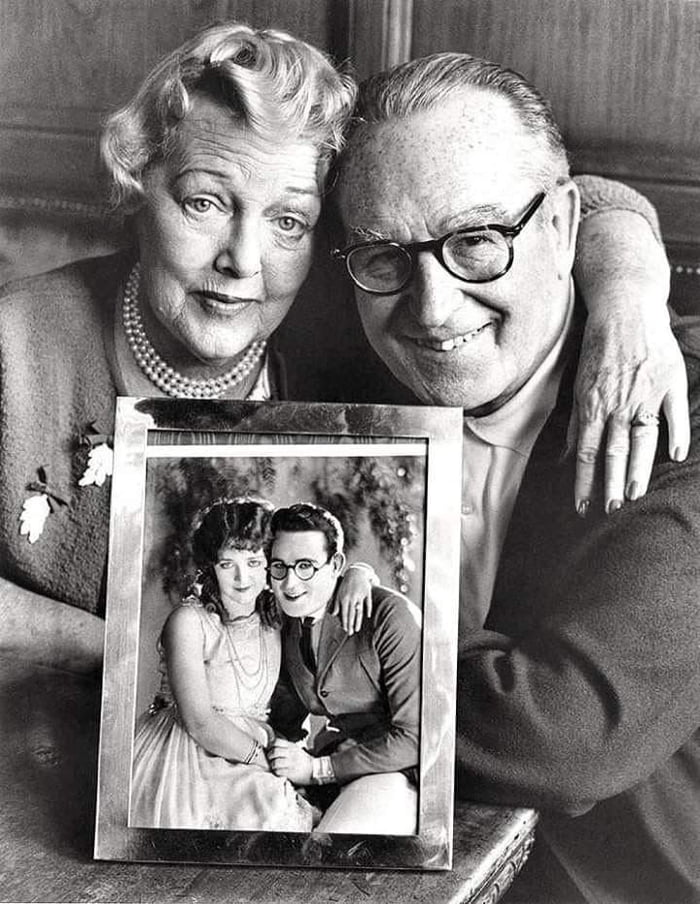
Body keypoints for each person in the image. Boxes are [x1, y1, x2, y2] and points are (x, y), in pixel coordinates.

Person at [0, 21, 687, 671]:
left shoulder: (347, 326)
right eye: (204, 202)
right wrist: (118, 656)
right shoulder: (17, 343)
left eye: (288, 220)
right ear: (137, 182)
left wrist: (629, 301)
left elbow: (575, 200)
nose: (243, 260)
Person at [332, 52, 700, 902]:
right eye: (386, 257)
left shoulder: (681, 414)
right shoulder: (338, 345)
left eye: (478, 243)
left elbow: (567, 735)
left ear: (564, 229)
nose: (432, 308)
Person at [130, 497, 316, 830]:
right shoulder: (189, 621)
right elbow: (200, 722)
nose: (242, 577)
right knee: (268, 806)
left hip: (253, 742)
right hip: (187, 752)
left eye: (255, 562)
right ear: (211, 567)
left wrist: (362, 574)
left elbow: (326, 583)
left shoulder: (276, 619)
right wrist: (264, 761)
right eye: (227, 564)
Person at [266, 503, 421, 835]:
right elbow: (285, 718)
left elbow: (415, 738)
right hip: (333, 763)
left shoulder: (389, 617)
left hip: (397, 772)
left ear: (336, 564)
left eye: (306, 566)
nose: (290, 582)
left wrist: (319, 769)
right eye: (279, 566)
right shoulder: (286, 621)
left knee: (332, 847)